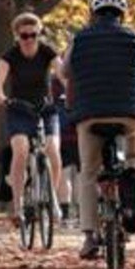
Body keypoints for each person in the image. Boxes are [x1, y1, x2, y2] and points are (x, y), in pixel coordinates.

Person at [60, 0, 135, 260]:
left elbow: (65, 73)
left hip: (90, 113)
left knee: (88, 172)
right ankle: (132, 179)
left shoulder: (79, 39)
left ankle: (89, 237)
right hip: (129, 112)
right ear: (122, 14)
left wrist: (71, 106)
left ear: (93, 13)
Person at [0, 12, 68, 227]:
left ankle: (51, 198)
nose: (29, 40)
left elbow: (62, 73)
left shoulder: (47, 52)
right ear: (17, 36)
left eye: (33, 35)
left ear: (39, 34)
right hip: (19, 109)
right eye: (24, 36)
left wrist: (70, 91)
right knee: (21, 149)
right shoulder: (10, 56)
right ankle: (18, 206)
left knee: (53, 150)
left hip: (46, 108)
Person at [51, 75, 79, 226]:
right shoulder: (82, 78)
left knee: (64, 175)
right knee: (83, 175)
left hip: (61, 134)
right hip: (81, 133)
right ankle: (82, 213)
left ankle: (65, 213)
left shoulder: (54, 81)